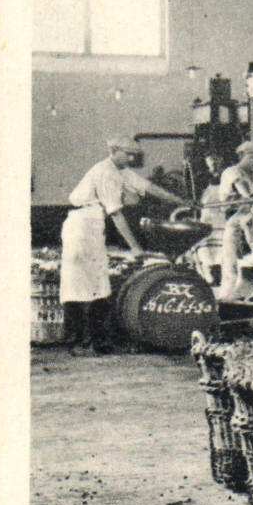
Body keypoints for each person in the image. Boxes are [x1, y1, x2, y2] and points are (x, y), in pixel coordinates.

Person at [60, 135, 188, 354]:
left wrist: (181, 201)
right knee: (78, 287)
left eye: (133, 155)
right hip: (81, 227)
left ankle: (99, 342)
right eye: (128, 154)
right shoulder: (105, 172)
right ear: (114, 151)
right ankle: (78, 342)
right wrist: (135, 247)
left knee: (99, 286)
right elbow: (116, 214)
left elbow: (149, 187)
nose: (131, 159)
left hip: (93, 225)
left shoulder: (121, 171)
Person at [213, 139, 253, 299]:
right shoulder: (231, 172)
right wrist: (250, 196)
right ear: (244, 156)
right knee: (231, 261)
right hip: (235, 220)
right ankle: (229, 295)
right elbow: (241, 186)